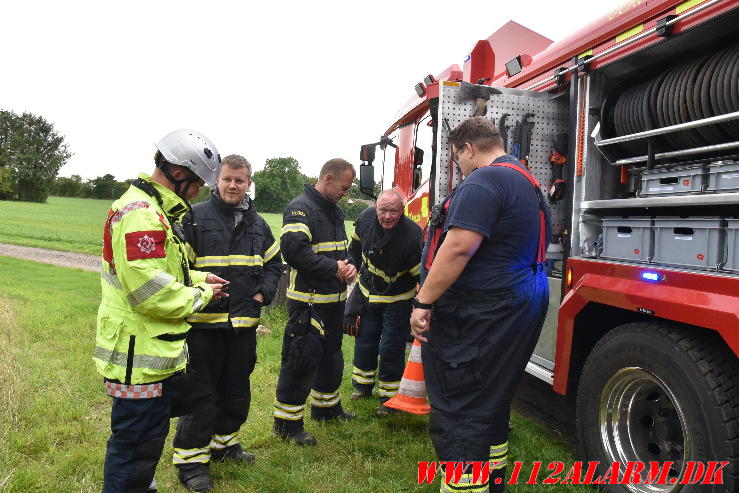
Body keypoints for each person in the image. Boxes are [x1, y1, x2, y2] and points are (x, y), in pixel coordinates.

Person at [410, 116, 551, 493]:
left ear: (468, 149)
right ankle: (492, 482)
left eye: (459, 160)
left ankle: (464, 486)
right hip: (516, 305)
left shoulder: (486, 180)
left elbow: (458, 247)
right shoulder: (528, 182)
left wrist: (423, 301)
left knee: (461, 408)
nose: (461, 167)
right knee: (491, 401)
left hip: (481, 315)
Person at [93, 129, 228, 493]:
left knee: (145, 442)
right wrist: (200, 294)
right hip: (137, 359)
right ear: (179, 173)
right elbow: (149, 292)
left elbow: (162, 271)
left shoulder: (155, 211)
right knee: (134, 447)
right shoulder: (141, 215)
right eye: (199, 182)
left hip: (151, 353)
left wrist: (198, 277)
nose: (199, 190)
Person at [171, 154, 282, 491]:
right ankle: (191, 464)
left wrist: (262, 294)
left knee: (236, 391)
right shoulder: (194, 219)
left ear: (249, 184)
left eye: (240, 180)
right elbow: (176, 270)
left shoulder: (258, 224)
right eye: (227, 179)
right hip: (203, 326)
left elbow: (274, 264)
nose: (233, 185)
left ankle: (225, 446)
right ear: (215, 182)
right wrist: (201, 288)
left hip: (244, 325)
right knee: (201, 394)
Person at [273, 158, 357, 446]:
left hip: (334, 302)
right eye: (344, 187)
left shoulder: (333, 210)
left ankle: (326, 409)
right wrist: (334, 269)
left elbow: (340, 252)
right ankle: (287, 424)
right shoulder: (301, 208)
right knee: (301, 361)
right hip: (307, 303)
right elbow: (294, 251)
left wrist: (350, 267)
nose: (345, 192)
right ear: (328, 178)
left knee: (331, 358)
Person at [346, 189, 422, 416]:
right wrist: (351, 263)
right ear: (376, 208)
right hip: (368, 293)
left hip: (397, 299)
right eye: (383, 210)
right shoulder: (366, 219)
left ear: (403, 211)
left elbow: (421, 275)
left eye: (394, 211)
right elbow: (355, 248)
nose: (388, 216)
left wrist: (424, 304)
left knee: (390, 347)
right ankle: (362, 387)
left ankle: (389, 397)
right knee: (365, 339)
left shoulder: (412, 236)